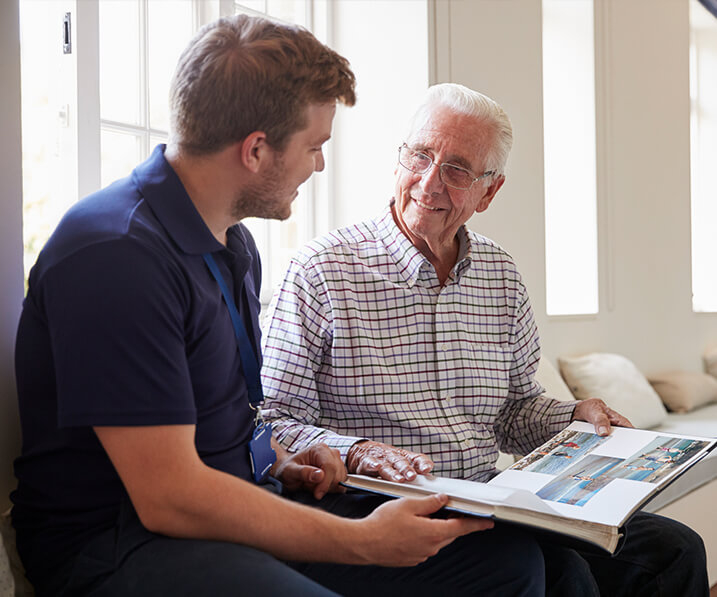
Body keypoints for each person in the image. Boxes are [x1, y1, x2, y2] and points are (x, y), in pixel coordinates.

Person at [9, 17, 557, 597]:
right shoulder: (116, 254)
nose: (319, 165)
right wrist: (365, 542)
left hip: (229, 507)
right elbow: (169, 498)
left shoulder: (231, 244)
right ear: (256, 150)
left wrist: (274, 459)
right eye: (314, 146)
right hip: (121, 544)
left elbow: (233, 417)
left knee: (506, 566)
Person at [261, 83, 709, 596]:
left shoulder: (500, 274)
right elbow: (272, 420)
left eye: (456, 170)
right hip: (376, 505)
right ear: (398, 158)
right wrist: (357, 450)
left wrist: (573, 417)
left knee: (674, 550)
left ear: (488, 192)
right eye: (420, 155)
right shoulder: (320, 269)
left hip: (491, 498)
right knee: (562, 574)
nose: (429, 183)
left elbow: (515, 411)